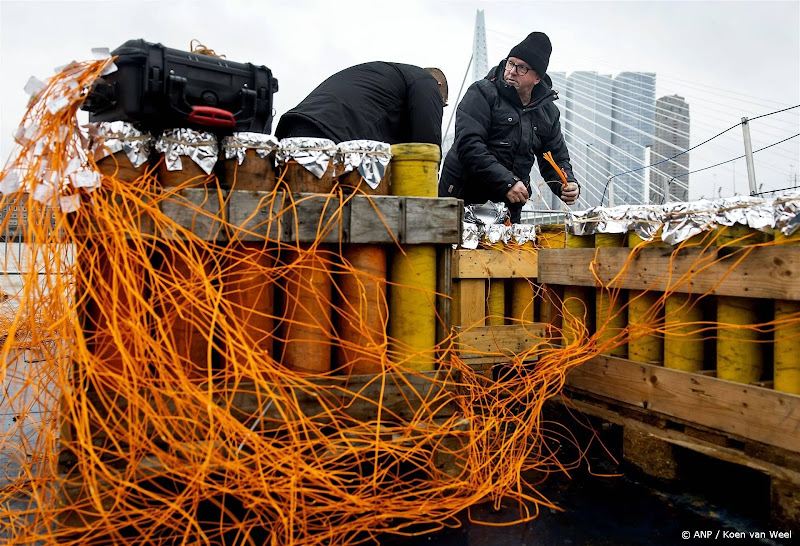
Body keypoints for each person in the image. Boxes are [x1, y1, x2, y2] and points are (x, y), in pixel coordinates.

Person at [438, 31, 580, 223]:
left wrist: (567, 183)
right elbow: (469, 144)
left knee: (510, 252)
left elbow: (555, 156)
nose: (512, 71)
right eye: (510, 63)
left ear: (537, 77)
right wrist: (507, 182)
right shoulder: (482, 93)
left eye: (522, 68)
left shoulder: (548, 112)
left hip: (508, 205)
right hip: (465, 198)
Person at [275, 62, 448, 148]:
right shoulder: (426, 82)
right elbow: (426, 147)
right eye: (441, 105)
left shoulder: (389, 76)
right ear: (438, 86)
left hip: (292, 129)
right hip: (332, 135)